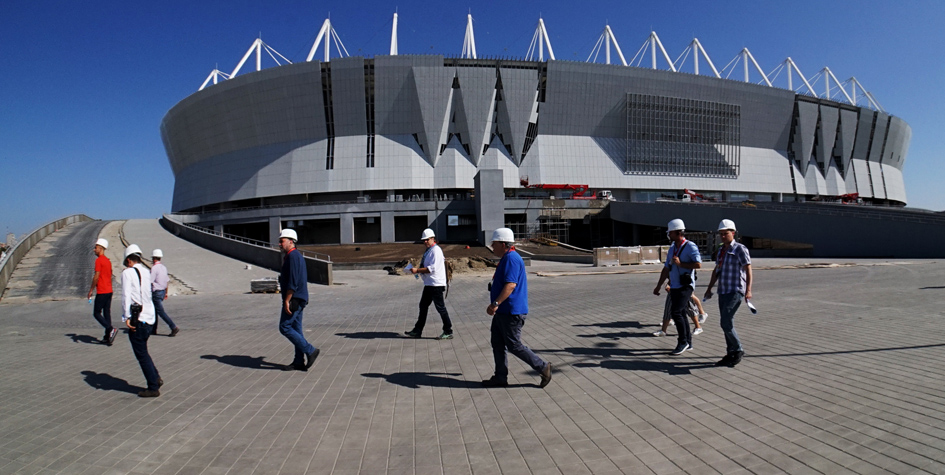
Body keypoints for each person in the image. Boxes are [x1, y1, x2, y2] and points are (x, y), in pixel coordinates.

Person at [482, 228, 552, 388]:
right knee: (497, 343)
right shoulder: (507, 257)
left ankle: (542, 367)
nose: (492, 247)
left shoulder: (512, 259)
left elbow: (510, 285)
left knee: (514, 345)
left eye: (494, 244)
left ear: (502, 244)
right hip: (503, 311)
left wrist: (495, 304)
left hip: (511, 311)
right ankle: (500, 376)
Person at [704, 219, 753, 367]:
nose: (723, 236)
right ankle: (730, 353)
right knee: (727, 323)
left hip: (735, 290)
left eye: (726, 233)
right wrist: (709, 288)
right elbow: (716, 271)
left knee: (725, 322)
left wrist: (748, 290)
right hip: (723, 291)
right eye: (721, 234)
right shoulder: (721, 251)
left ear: (733, 233)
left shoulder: (740, 249)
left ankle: (738, 349)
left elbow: (748, 269)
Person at [652, 218, 702, 355]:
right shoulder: (672, 248)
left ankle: (683, 341)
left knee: (676, 312)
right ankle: (688, 342)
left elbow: (698, 264)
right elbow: (666, 268)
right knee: (681, 313)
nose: (669, 235)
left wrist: (681, 264)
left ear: (678, 232)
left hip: (686, 286)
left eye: (671, 233)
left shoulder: (690, 246)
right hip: (674, 285)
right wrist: (658, 286)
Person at [121, 244, 162, 397]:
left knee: (141, 354)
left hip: (138, 319)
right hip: (149, 318)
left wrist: (126, 317)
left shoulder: (128, 273)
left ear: (129, 260)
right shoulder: (146, 271)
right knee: (144, 351)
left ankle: (153, 387)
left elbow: (126, 296)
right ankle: (156, 377)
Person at [278, 229, 319, 371]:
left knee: (284, 327)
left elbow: (293, 282)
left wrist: (286, 300)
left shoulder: (293, 256)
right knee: (296, 329)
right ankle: (298, 361)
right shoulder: (292, 256)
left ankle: (310, 350)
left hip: (294, 299)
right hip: (298, 298)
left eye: (282, 241)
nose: (279, 244)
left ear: (291, 241)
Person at [405, 228, 454, 340]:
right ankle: (417, 330)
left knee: (440, 308)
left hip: (435, 285)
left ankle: (448, 330)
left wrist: (417, 271)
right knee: (423, 306)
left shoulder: (436, 251)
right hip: (429, 284)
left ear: (433, 238)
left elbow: (432, 269)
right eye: (424, 240)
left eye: (427, 239)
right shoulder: (430, 250)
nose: (425, 242)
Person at [88, 238, 117, 345]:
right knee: (106, 313)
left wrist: (91, 289)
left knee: (96, 313)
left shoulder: (99, 261)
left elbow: (96, 276)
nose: (94, 250)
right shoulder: (108, 261)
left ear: (100, 248)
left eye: (95, 248)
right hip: (109, 290)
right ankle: (107, 337)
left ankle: (110, 329)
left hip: (102, 291)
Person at [149, 249, 179, 337]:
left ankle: (173, 326)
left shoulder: (154, 268)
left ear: (154, 258)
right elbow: (167, 281)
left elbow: (150, 281)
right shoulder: (163, 267)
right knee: (155, 311)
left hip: (156, 292)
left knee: (160, 312)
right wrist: (166, 292)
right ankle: (153, 329)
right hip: (162, 291)